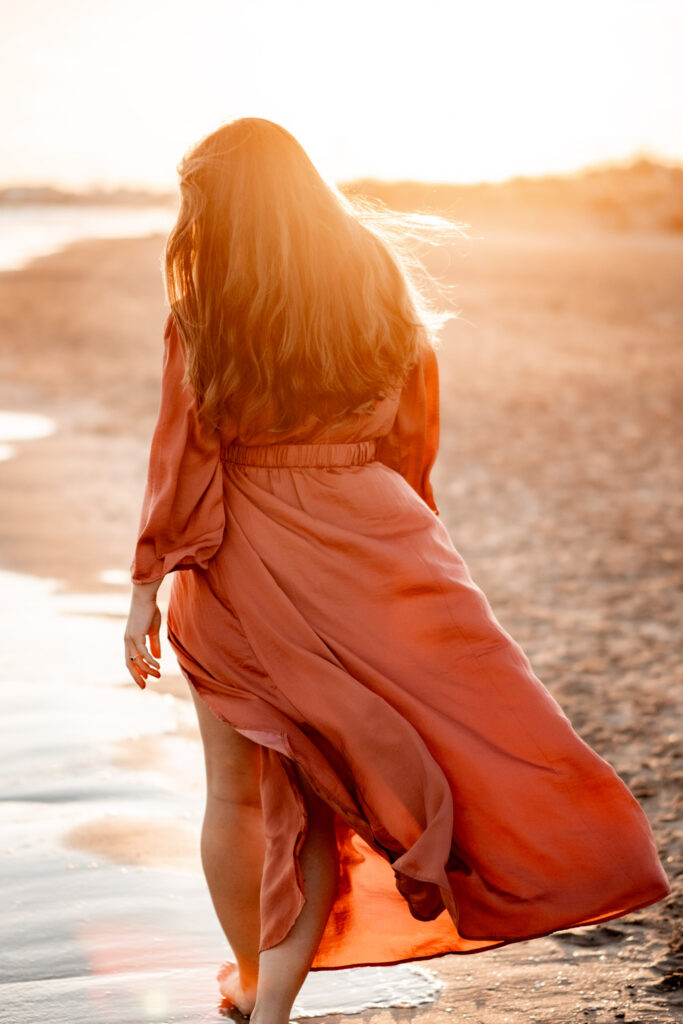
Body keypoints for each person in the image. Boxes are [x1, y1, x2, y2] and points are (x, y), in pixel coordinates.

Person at [124, 118, 670, 1024]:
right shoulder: (373, 270)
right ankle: (266, 999)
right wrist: (405, 535)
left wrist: (146, 587)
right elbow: (412, 420)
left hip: (243, 553)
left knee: (245, 794)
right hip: (378, 538)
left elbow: (185, 457)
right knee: (469, 740)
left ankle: (261, 992)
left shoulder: (205, 301)